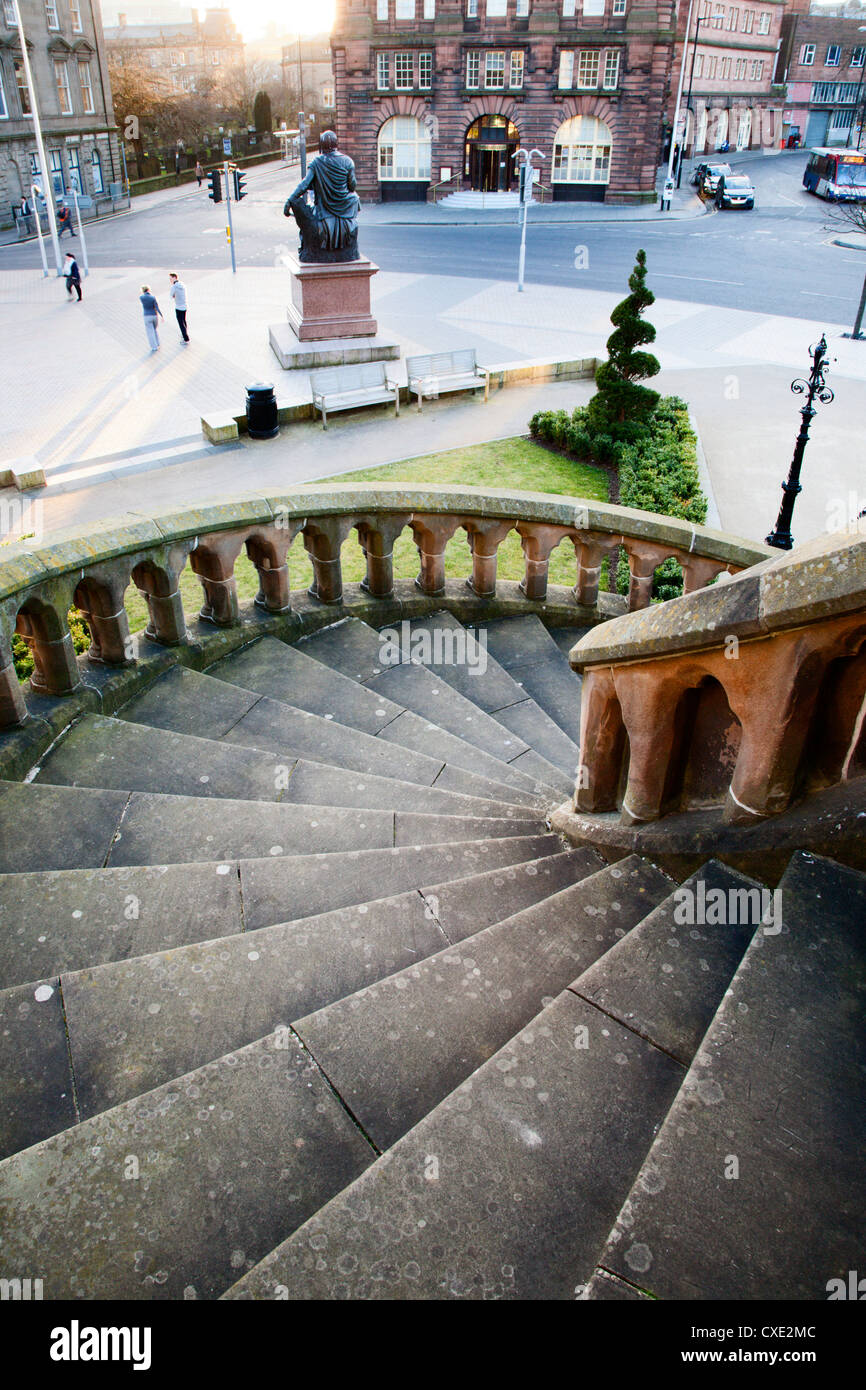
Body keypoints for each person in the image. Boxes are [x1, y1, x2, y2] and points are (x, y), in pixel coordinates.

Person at [284, 129, 360, 263]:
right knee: (355, 198)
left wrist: (290, 200)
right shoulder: (348, 161)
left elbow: (304, 185)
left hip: (325, 208)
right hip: (345, 206)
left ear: (321, 146)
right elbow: (352, 186)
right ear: (337, 144)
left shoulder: (317, 162)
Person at [139, 284, 163, 351]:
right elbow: (157, 307)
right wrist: (161, 315)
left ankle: (154, 346)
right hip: (154, 315)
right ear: (149, 289)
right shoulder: (153, 297)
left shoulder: (141, 297)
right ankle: (158, 343)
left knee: (150, 332)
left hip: (147, 316)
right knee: (154, 329)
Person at [169, 272, 189, 343]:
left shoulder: (173, 287)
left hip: (178, 307)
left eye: (170, 278)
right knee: (184, 321)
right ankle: (185, 333)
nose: (170, 280)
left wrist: (174, 296)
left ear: (174, 277)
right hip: (185, 305)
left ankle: (185, 338)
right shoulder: (182, 284)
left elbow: (171, 296)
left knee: (181, 323)